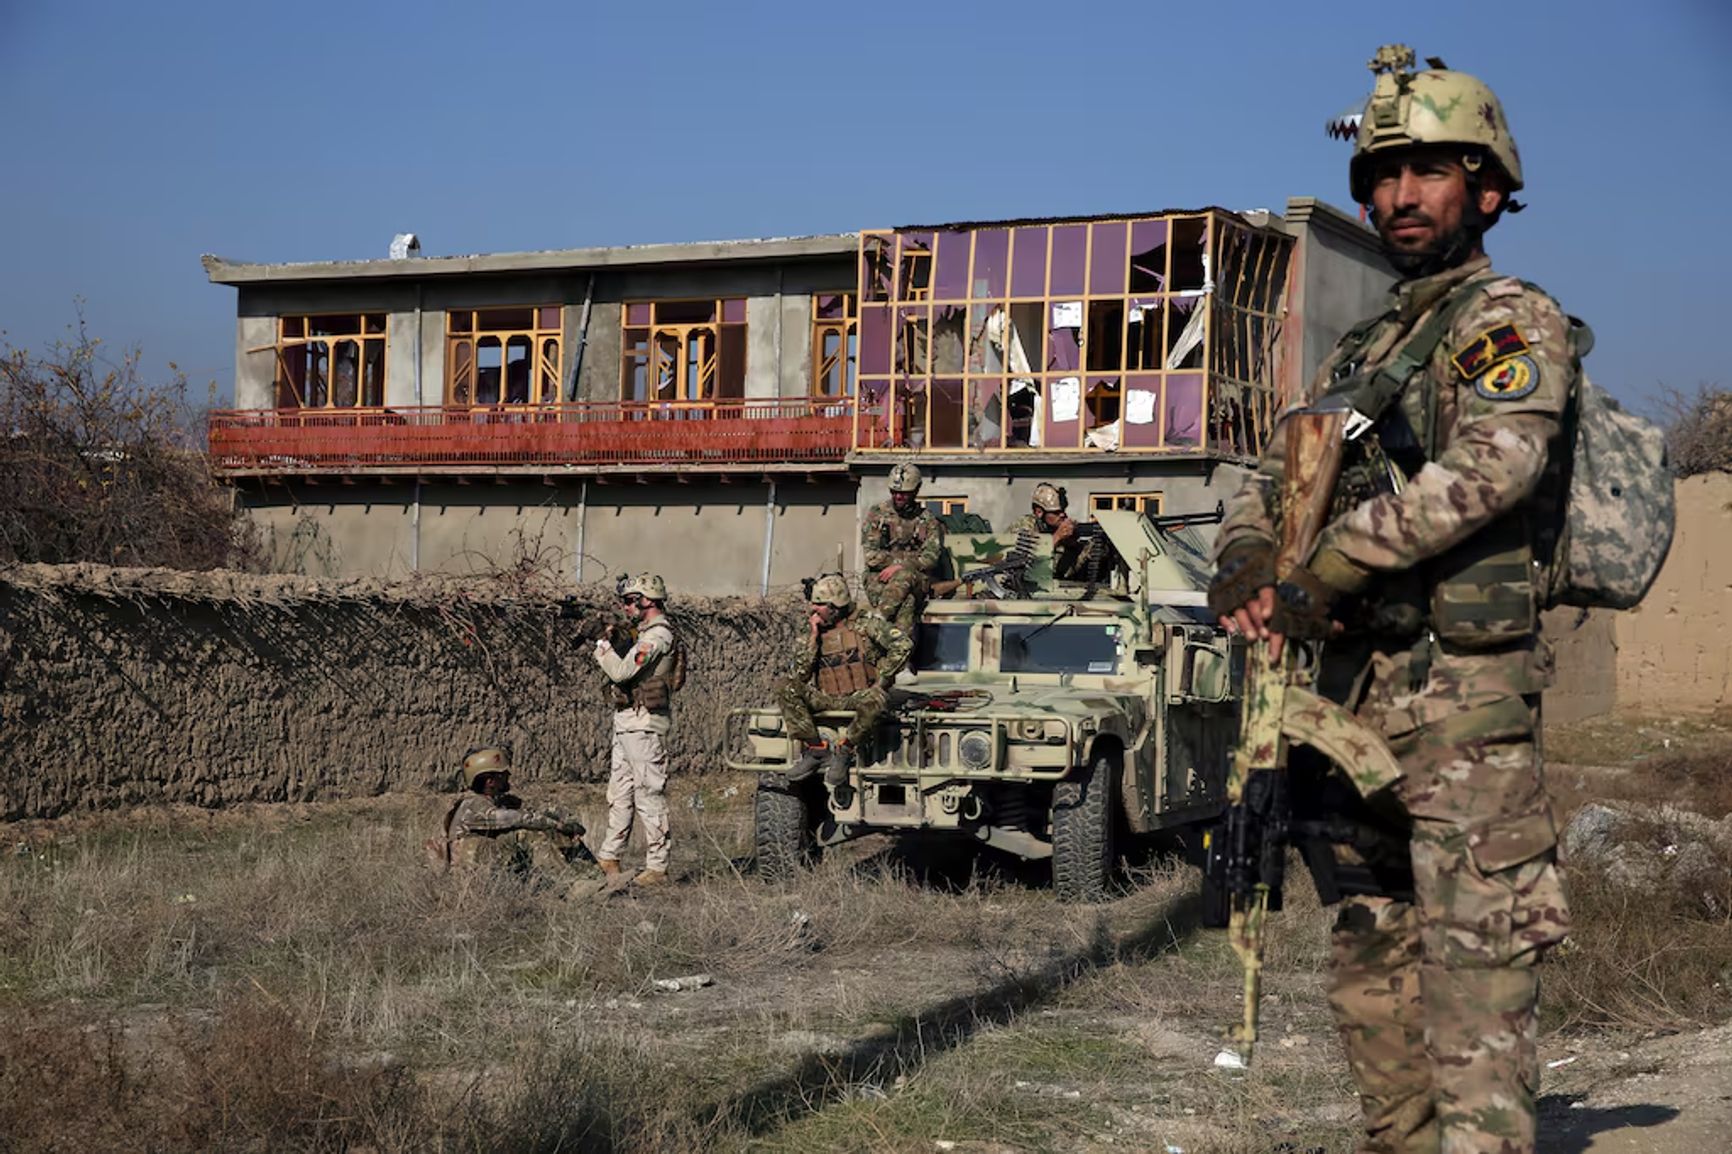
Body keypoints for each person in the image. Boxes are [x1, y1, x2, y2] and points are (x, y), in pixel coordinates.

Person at [1208, 46, 1572, 1154]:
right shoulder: (1368, 345)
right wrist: (1245, 561)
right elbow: (1277, 484)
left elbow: (1494, 465)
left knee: (1472, 992)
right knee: (1368, 971)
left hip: (1460, 704)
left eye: (1427, 173)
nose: (1397, 196)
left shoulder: (1506, 318)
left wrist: (1328, 569)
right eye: (1382, 175)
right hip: (1347, 706)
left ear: (1489, 187)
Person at [777, 573, 912, 791]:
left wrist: (884, 678)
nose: (813, 609)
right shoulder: (812, 629)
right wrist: (812, 636)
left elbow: (903, 644)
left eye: (820, 605)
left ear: (835, 606)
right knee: (785, 686)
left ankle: (845, 750)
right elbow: (800, 675)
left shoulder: (866, 623)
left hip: (859, 697)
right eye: (813, 603)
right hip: (827, 698)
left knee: (877, 698)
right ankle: (816, 750)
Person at [591, 573, 682, 888]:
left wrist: (602, 648)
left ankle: (657, 867)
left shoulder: (658, 636)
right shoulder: (642, 634)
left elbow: (622, 670)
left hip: (645, 724)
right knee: (620, 792)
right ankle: (610, 856)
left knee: (648, 794)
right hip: (628, 720)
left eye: (631, 601)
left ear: (649, 600)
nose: (626, 607)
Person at [433, 746, 606, 898]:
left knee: (550, 831)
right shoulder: (473, 805)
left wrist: (563, 822)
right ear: (489, 781)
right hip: (472, 882)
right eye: (502, 774)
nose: (508, 776)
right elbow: (516, 818)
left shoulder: (496, 802)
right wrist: (558, 825)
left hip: (490, 872)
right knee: (526, 834)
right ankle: (571, 885)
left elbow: (533, 811)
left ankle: (596, 876)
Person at [860, 461, 944, 634]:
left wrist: (900, 566)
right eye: (894, 492)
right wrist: (901, 564)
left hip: (915, 579)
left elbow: (931, 557)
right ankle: (899, 653)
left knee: (905, 576)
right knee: (907, 604)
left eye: (904, 494)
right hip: (880, 579)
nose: (898, 497)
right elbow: (871, 555)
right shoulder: (878, 514)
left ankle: (877, 622)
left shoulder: (927, 520)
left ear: (915, 491)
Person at [1008, 482, 1094, 581]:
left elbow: (1067, 569)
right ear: (1039, 512)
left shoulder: (1053, 528)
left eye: (1063, 511)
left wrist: (1073, 543)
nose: (1062, 515)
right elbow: (1023, 563)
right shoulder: (1024, 526)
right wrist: (1057, 537)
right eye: (1056, 512)